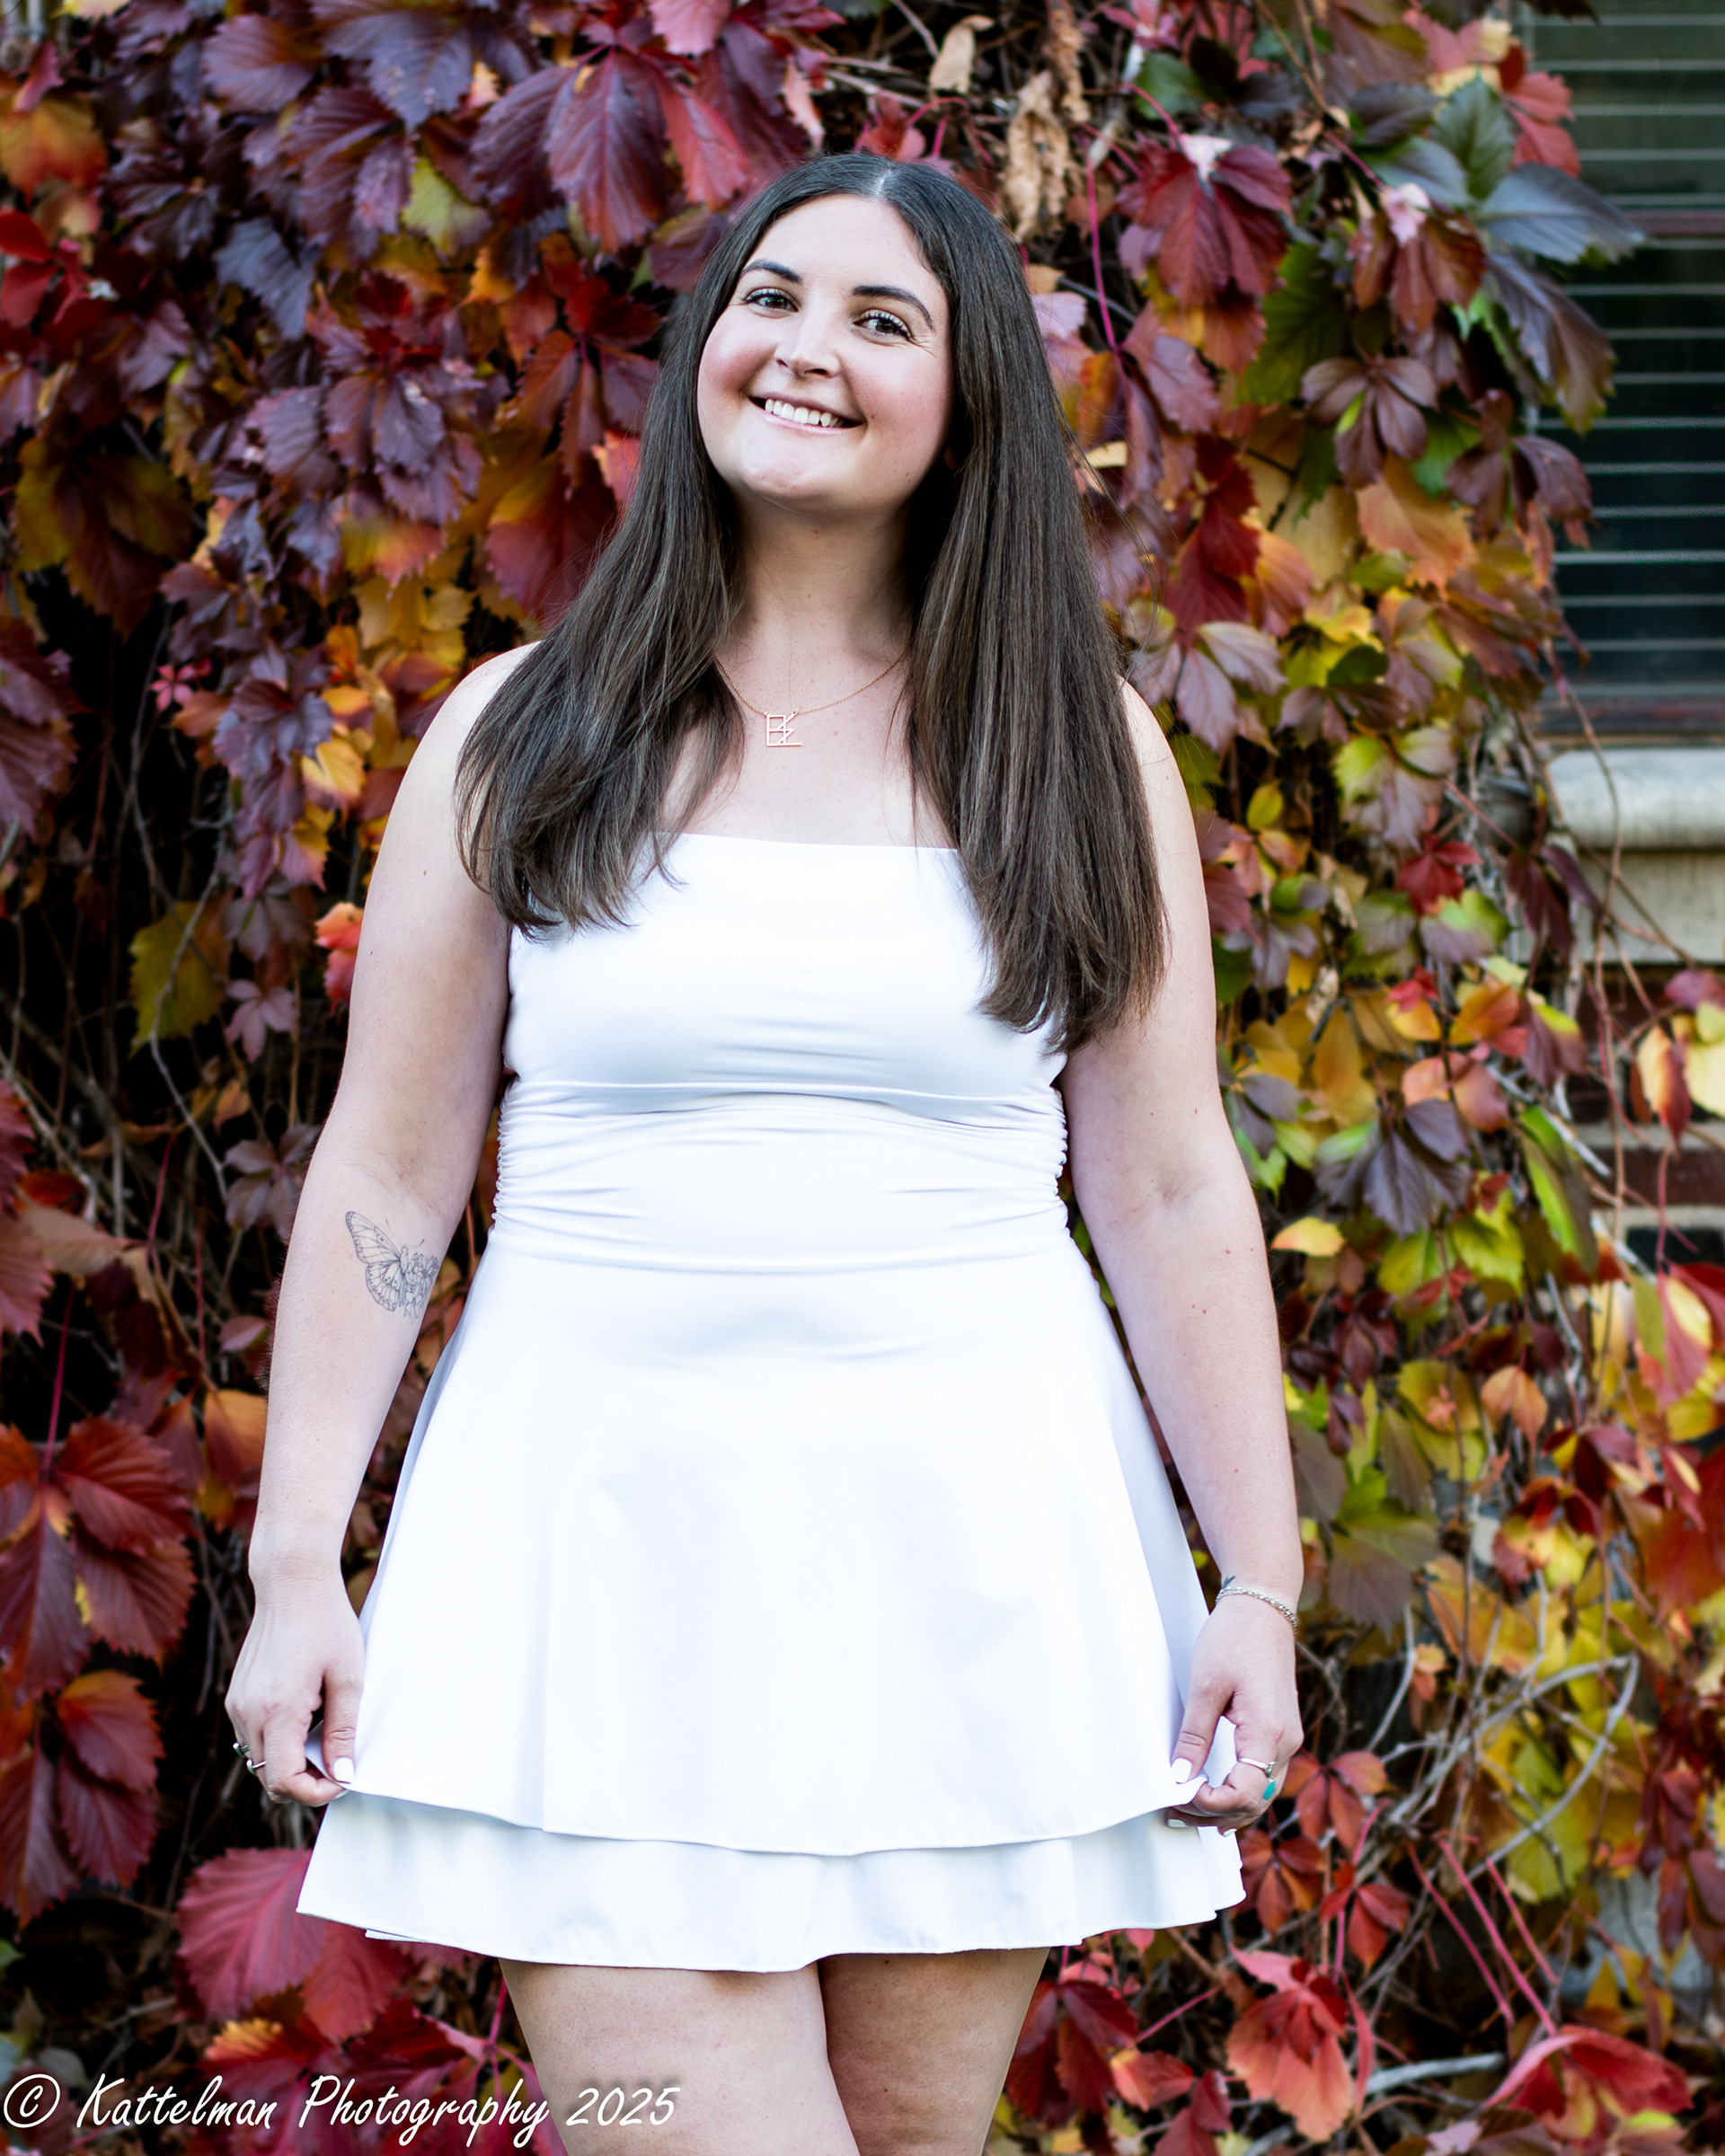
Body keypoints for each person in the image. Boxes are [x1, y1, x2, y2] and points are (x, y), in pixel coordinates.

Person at [226, 153, 1304, 2156]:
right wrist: (301, 1560)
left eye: (883, 320)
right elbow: (383, 1176)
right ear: (706, 345)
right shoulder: (522, 735)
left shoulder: (1074, 750)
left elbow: (1166, 1186)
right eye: (772, 296)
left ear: (965, 404)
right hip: (596, 1572)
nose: (808, 349)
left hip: (973, 1578)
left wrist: (1261, 1580)